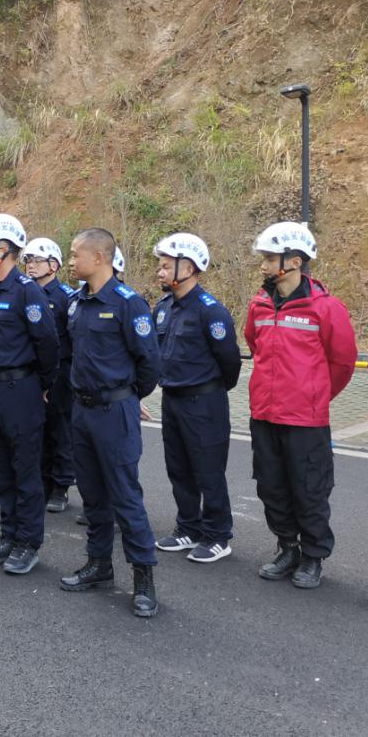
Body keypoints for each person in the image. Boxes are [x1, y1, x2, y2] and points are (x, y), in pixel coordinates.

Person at [244, 221, 356, 589]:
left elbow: (341, 363)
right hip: (265, 415)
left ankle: (313, 556)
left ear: (293, 261)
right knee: (272, 486)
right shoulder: (259, 304)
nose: (263, 266)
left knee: (309, 489)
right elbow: (256, 345)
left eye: (269, 259)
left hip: (305, 421)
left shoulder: (326, 308)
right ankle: (287, 547)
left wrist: (315, 395)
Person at [60, 228, 161, 617]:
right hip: (82, 411)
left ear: (99, 258)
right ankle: (99, 565)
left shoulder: (128, 304)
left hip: (114, 413)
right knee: (93, 495)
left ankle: (143, 577)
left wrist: (129, 396)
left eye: (75, 254)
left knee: (125, 496)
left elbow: (149, 362)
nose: (71, 261)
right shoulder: (76, 303)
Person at [0, 214, 58, 576]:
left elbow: (48, 345)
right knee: (1, 468)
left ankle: (28, 541)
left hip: (17, 389)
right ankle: (8, 534)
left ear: (3, 251)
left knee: (24, 469)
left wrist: (41, 386)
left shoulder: (26, 291)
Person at [151, 233, 242, 563]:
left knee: (208, 470)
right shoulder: (162, 309)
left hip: (204, 402)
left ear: (187, 267)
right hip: (172, 399)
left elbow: (229, 361)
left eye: (165, 267)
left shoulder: (211, 311)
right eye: (159, 266)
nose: (159, 273)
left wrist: (211, 390)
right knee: (179, 468)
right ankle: (188, 528)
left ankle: (218, 535)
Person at [22, 237, 76, 514]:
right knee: (36, 428)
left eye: (37, 261)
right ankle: (41, 480)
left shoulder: (66, 297)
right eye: (28, 261)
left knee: (59, 428)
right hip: (32, 371)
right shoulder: (25, 293)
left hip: (61, 372)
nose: (30, 266)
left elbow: (74, 338)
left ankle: (61, 485)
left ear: (53, 265)